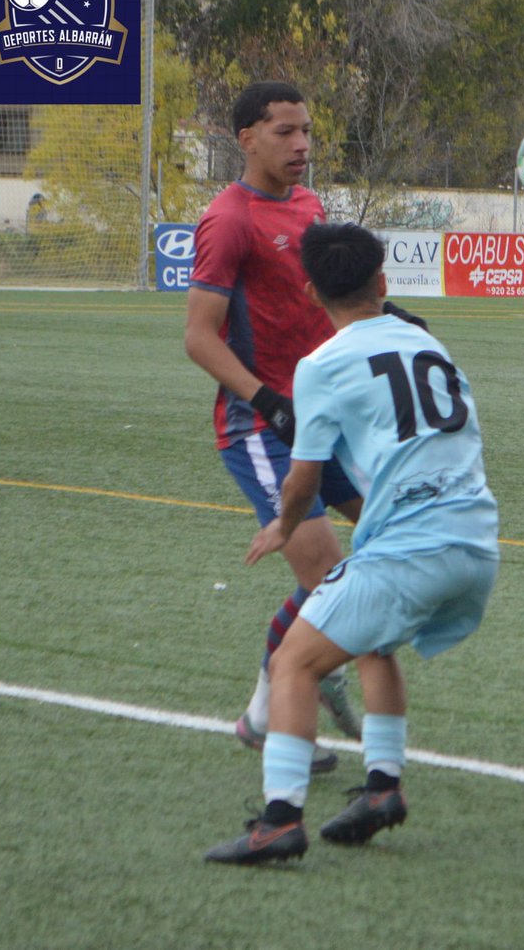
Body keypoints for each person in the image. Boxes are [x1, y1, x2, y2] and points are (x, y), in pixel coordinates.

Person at [204, 222, 499, 865]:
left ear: (310, 293)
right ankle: (382, 790)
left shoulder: (319, 365)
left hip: (411, 550)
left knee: (293, 662)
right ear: (384, 283)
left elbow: (304, 478)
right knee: (372, 642)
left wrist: (282, 525)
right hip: (477, 542)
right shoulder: (428, 340)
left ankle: (279, 822)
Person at [184, 81, 364, 772]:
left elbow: (324, 306)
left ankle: (274, 698)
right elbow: (200, 338)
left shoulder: (311, 206)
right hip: (261, 428)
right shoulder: (228, 220)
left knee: (385, 543)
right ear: (247, 138)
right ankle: (281, 715)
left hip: (327, 419)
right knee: (332, 577)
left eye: (307, 131)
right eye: (286, 132)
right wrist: (267, 402)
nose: (302, 146)